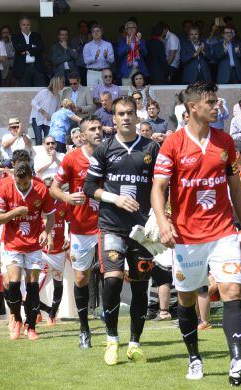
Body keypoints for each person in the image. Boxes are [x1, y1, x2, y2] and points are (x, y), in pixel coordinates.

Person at [152, 81, 241, 384]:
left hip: (223, 233)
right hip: (187, 238)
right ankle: (194, 358)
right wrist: (164, 223)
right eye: (211, 103)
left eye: (217, 102)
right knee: (187, 299)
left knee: (231, 291)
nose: (218, 107)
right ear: (193, 108)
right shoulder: (173, 143)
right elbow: (158, 188)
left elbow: (236, 189)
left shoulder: (225, 141)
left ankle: (237, 362)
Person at [83, 96, 159, 365]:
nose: (126, 117)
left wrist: (161, 216)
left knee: (140, 288)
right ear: (112, 119)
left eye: (130, 113)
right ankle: (112, 340)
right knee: (112, 280)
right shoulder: (103, 150)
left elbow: (163, 186)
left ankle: (135, 343)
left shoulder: (152, 148)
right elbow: (89, 187)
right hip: (112, 224)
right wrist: (114, 198)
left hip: (143, 229)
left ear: (137, 116)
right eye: (120, 113)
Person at [50, 116, 101, 348]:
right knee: (81, 277)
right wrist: (68, 197)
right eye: (93, 129)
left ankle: (112, 328)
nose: (98, 132)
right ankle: (84, 328)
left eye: (100, 128)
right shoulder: (72, 159)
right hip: (81, 227)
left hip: (107, 224)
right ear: (82, 134)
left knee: (113, 272)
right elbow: (53, 189)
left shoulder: (110, 154)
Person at [0, 161, 56, 341]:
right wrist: (15, 212)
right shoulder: (5, 187)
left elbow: (50, 217)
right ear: (14, 178)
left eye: (25, 183)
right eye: (18, 183)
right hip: (12, 243)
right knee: (13, 283)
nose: (21, 186)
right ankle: (17, 319)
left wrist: (46, 231)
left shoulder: (41, 189)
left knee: (32, 285)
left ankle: (31, 326)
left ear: (31, 178)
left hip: (33, 245)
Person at [13, 17, 47, 87]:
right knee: (26, 91)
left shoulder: (37, 36)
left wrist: (26, 51)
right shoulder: (16, 36)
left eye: (28, 24)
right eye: (24, 25)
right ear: (20, 26)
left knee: (40, 89)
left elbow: (40, 48)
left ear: (30, 25)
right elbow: (18, 48)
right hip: (23, 68)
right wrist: (32, 46)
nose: (26, 26)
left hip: (37, 67)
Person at [30, 76, 64, 145]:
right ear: (57, 83)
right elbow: (33, 102)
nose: (64, 84)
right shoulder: (44, 92)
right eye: (62, 83)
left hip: (48, 121)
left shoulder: (58, 96)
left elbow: (57, 111)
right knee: (38, 139)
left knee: (48, 140)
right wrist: (44, 113)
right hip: (37, 119)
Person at [116, 21, 148, 85]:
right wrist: (128, 45)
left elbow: (145, 53)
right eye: (129, 28)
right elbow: (119, 54)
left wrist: (139, 44)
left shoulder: (141, 40)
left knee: (139, 92)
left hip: (138, 69)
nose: (131, 29)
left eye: (133, 27)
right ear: (126, 30)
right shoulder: (122, 41)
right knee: (127, 92)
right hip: (126, 71)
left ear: (136, 30)